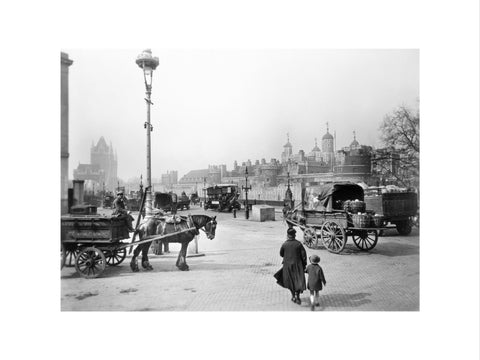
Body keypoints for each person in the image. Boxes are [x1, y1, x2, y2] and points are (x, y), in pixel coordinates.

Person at [279, 228, 307, 304]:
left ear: (288, 235)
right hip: (298, 265)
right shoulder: (298, 244)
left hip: (287, 266)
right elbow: (304, 256)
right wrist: (304, 265)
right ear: (295, 235)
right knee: (298, 281)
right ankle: (297, 297)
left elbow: (281, 254)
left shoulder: (285, 244)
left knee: (290, 281)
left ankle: (293, 296)